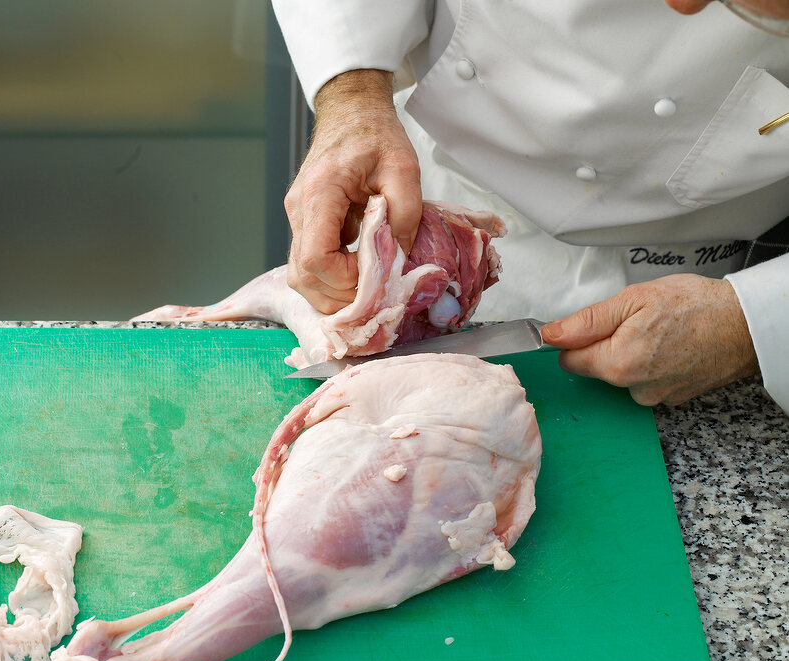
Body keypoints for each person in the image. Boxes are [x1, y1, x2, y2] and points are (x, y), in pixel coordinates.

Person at [270, 0, 789, 411]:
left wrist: (752, 321)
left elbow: (755, 322)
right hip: (453, 209)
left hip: (706, 273)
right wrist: (352, 97)